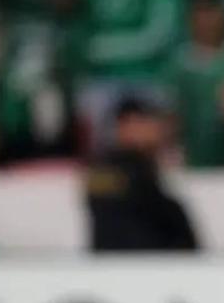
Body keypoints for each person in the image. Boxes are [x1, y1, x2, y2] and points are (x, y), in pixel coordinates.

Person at [84, 97, 199, 253]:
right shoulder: (114, 171)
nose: (156, 130)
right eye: (146, 122)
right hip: (133, 261)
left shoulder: (136, 168)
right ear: (126, 125)